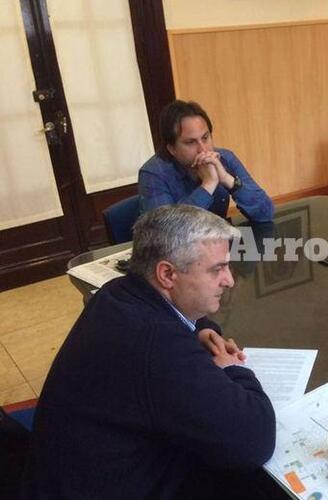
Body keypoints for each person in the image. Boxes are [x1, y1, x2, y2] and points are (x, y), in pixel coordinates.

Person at [23, 205, 277, 499]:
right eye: (217, 269)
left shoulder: (116, 292)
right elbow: (255, 441)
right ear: (167, 274)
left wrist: (199, 330)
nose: (229, 280)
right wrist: (236, 370)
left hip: (67, 474)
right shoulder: (157, 346)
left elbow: (173, 317)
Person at [139, 100, 274, 222]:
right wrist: (208, 185)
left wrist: (228, 180)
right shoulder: (153, 173)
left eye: (205, 137)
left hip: (218, 243)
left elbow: (266, 213)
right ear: (171, 149)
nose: (203, 150)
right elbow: (165, 236)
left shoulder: (225, 158)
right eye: (190, 142)